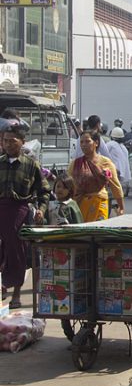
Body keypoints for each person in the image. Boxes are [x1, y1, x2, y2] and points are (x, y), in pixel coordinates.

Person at [0, 125, 50, 309]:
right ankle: (2, 288)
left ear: (22, 142)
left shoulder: (31, 165)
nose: (8, 144)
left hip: (18, 212)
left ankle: (17, 293)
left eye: (12, 141)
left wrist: (41, 210)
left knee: (17, 252)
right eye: (5, 141)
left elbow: (44, 190)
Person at [71, 130, 124, 222]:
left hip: (99, 202)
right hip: (80, 203)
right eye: (81, 142)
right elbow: (68, 184)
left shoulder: (106, 162)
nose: (84, 145)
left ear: (96, 143)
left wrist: (121, 207)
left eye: (87, 141)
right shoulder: (75, 164)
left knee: (98, 230)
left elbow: (115, 186)